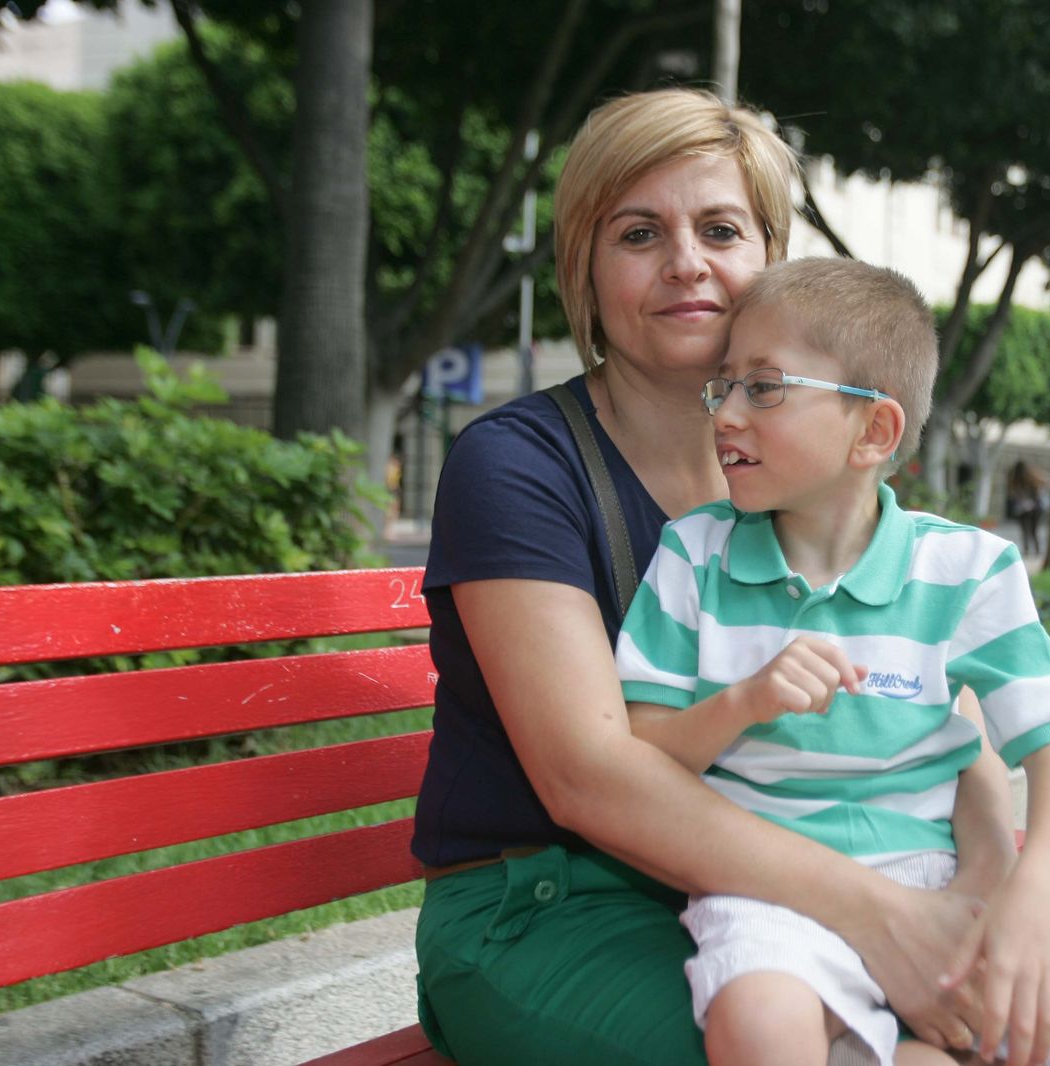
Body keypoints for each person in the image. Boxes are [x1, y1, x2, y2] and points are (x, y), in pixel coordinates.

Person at [412, 89, 1012, 1065]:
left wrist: (989, 900)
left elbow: (958, 732)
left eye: (721, 229)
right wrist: (881, 916)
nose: (685, 262)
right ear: (586, 267)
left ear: (772, 259)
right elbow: (587, 776)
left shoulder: (799, 469)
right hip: (550, 908)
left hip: (770, 898)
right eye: (638, 233)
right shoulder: (518, 467)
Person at [617, 258, 1050, 1066]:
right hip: (768, 889)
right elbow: (642, 754)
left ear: (875, 431)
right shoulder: (693, 556)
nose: (724, 414)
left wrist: (1034, 899)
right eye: (721, 387)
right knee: (759, 1028)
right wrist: (744, 703)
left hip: (943, 873)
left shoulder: (968, 569)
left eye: (763, 388)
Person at [1007, 459, 1050, 557]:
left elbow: (1013, 496)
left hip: (1024, 509)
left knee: (1025, 530)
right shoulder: (1034, 480)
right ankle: (1036, 550)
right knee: (1033, 531)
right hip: (1035, 509)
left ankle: (1027, 550)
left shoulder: (1016, 482)